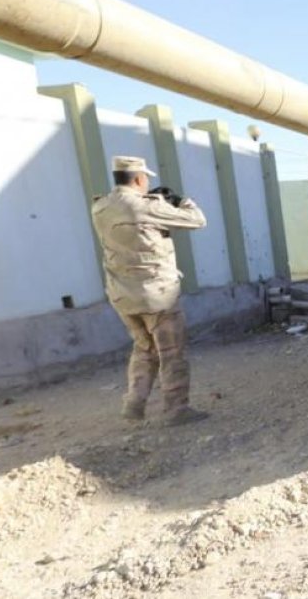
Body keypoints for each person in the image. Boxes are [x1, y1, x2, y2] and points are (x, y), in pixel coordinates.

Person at [91, 156, 209, 426]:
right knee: (172, 353)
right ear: (138, 178)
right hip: (157, 296)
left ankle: (134, 403)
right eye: (145, 178)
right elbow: (197, 220)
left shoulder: (100, 207)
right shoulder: (146, 206)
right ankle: (176, 410)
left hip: (122, 295)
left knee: (144, 349)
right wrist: (180, 201)